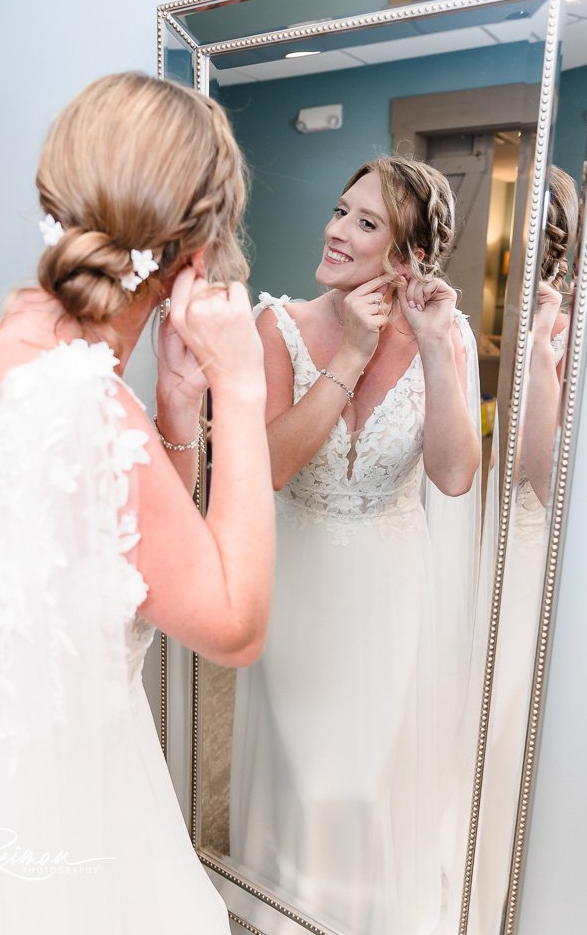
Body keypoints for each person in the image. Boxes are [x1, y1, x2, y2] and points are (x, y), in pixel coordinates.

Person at [0, 72, 275, 934]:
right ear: (196, 255)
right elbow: (233, 626)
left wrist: (177, 413)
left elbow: (123, 556)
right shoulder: (86, 407)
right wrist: (241, 387)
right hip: (66, 810)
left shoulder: (1, 350)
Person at [229, 154, 482, 935]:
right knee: (301, 772)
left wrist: (433, 348)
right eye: (340, 211)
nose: (335, 230)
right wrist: (348, 358)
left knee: (368, 777)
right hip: (297, 581)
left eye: (364, 223)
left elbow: (452, 476)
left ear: (408, 258)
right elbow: (271, 466)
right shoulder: (278, 325)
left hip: (387, 584)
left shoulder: (446, 335)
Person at [469, 165, 578, 935]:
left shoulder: (558, 328)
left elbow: (536, 475)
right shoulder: (537, 315)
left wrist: (539, 355)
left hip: (539, 540)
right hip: (507, 530)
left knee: (514, 699)